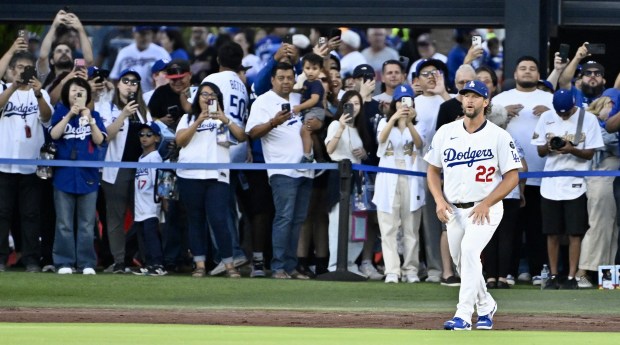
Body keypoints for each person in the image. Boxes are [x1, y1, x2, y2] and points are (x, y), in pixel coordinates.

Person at [425, 80, 521, 330]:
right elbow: (433, 170)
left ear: (486, 102)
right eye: (466, 95)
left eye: (475, 96)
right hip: (455, 208)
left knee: (469, 252)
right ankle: (487, 305)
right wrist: (438, 199)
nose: (469, 100)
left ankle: (464, 316)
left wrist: (488, 202)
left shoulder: (499, 135)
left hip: (486, 207)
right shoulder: (447, 131)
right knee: (462, 261)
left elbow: (513, 176)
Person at [246, 62, 314, 279]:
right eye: (281, 78)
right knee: (284, 217)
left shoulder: (297, 99)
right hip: (281, 169)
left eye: (289, 77)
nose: (286, 81)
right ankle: (277, 267)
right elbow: (253, 132)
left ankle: (291, 266)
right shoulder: (263, 101)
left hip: (305, 168)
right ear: (273, 80)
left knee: (297, 219)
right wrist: (274, 122)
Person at [492, 56, 553, 285]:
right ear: (515, 74)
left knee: (538, 226)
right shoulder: (500, 98)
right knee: (510, 228)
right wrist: (501, 112)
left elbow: (566, 120)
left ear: (539, 75)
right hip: (507, 177)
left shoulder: (550, 98)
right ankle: (507, 272)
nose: (527, 72)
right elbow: (485, 124)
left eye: (532, 69)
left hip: (544, 173)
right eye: (523, 68)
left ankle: (538, 271)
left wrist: (550, 112)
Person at [533, 89, 603, 290]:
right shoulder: (547, 117)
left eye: (566, 112)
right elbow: (539, 150)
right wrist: (549, 146)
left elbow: (590, 154)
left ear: (574, 105)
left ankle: (572, 276)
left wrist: (571, 149)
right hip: (550, 181)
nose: (563, 115)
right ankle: (554, 275)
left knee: (575, 232)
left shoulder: (587, 119)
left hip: (577, 180)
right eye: (560, 112)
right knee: (551, 232)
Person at [175, 82, 246, 278]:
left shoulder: (224, 120)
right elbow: (180, 141)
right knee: (195, 219)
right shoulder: (187, 117)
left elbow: (241, 137)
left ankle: (229, 263)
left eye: (212, 94)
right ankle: (199, 264)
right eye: (203, 94)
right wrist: (198, 121)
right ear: (197, 98)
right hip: (190, 174)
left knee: (219, 219)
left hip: (217, 176)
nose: (207, 98)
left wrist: (225, 118)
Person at [0, 50, 52, 273]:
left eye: (27, 67)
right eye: (19, 67)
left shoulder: (40, 93)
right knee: (1, 213)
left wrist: (39, 94)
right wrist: (12, 86)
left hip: (31, 166)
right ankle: (1, 258)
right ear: (11, 70)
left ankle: (31, 258)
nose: (23, 71)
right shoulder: (3, 88)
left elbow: (47, 117)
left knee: (31, 214)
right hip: (3, 163)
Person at [49, 77, 107, 275]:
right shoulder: (60, 111)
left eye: (81, 91)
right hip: (64, 176)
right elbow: (54, 135)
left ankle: (86, 263)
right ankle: (64, 262)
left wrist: (88, 117)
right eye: (73, 90)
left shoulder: (95, 115)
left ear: (87, 95)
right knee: (64, 223)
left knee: (87, 223)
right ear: (67, 94)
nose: (76, 94)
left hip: (88, 177)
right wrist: (69, 115)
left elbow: (100, 139)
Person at [98, 68, 153, 273]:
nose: (130, 85)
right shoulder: (107, 106)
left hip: (140, 168)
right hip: (116, 168)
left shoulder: (143, 110)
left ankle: (145, 259)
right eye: (126, 81)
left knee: (143, 215)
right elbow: (105, 135)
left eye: (134, 82)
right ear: (118, 84)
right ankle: (119, 261)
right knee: (115, 216)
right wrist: (123, 114)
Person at [202, 42, 250, 275]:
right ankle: (235, 252)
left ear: (218, 60)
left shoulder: (213, 79)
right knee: (228, 204)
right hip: (239, 144)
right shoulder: (241, 84)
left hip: (221, 144)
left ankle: (228, 253)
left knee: (215, 205)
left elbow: (205, 112)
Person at [373, 84, 425, 283]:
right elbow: (381, 140)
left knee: (411, 227)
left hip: (411, 179)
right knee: (388, 227)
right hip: (388, 179)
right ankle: (392, 270)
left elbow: (419, 145)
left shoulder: (419, 125)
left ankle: (411, 269)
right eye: (400, 100)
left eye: (408, 100)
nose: (404, 104)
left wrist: (409, 122)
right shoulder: (383, 123)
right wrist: (394, 118)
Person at [324, 90, 373, 276]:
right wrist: (341, 128)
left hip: (358, 177)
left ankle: (351, 263)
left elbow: (364, 154)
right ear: (343, 105)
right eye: (350, 103)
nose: (354, 107)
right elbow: (329, 150)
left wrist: (364, 154)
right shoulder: (336, 124)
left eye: (358, 103)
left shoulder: (360, 127)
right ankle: (335, 264)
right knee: (337, 221)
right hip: (340, 175)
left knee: (357, 223)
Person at [132, 122, 167, 276]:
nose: (144, 138)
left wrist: (163, 202)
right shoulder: (141, 158)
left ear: (157, 138)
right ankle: (148, 263)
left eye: (148, 135)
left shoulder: (155, 158)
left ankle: (158, 264)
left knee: (151, 236)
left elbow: (159, 182)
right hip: (140, 206)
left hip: (151, 206)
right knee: (143, 236)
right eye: (141, 134)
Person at [109, 26, 171, 93]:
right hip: (128, 96)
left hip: (152, 96)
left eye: (148, 33)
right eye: (142, 34)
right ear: (134, 34)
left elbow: (170, 75)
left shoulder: (161, 52)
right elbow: (114, 77)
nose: (145, 37)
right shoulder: (124, 52)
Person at [294, 53, 325, 164]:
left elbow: (314, 100)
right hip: (309, 112)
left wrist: (299, 107)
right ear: (303, 68)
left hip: (315, 111)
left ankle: (307, 156)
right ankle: (317, 157)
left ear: (320, 70)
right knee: (309, 132)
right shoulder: (307, 82)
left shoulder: (316, 83)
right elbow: (302, 91)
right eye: (307, 68)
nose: (311, 71)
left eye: (314, 68)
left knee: (306, 129)